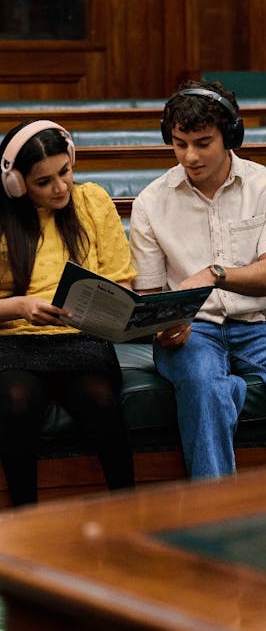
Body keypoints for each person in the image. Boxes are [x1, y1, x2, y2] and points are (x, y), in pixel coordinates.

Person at [129, 80, 266, 478]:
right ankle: (218, 518)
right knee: (205, 387)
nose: (189, 156)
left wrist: (215, 274)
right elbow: (147, 297)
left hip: (260, 326)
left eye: (202, 142)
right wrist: (163, 329)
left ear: (230, 136)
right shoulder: (150, 201)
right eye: (180, 144)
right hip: (193, 331)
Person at [0, 119, 136, 506]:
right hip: (14, 343)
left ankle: (129, 514)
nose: (61, 187)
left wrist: (113, 307)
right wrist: (21, 307)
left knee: (100, 400)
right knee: (16, 400)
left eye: (65, 171)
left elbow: (120, 282)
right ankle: (28, 522)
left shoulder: (92, 200)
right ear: (16, 184)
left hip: (83, 338)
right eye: (43, 182)